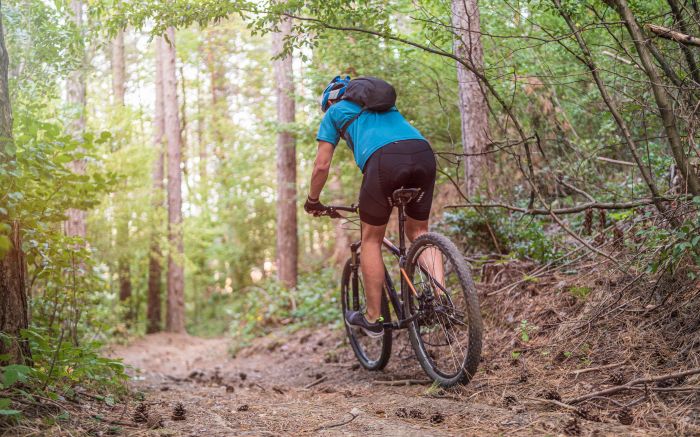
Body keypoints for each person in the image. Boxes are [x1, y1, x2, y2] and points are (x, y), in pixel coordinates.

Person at [303, 76, 437, 338]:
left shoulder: (335, 112)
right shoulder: (385, 106)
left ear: (330, 101)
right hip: (423, 153)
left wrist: (313, 200)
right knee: (419, 232)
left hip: (384, 162)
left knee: (371, 240)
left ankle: (374, 318)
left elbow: (321, 165)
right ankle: (441, 301)